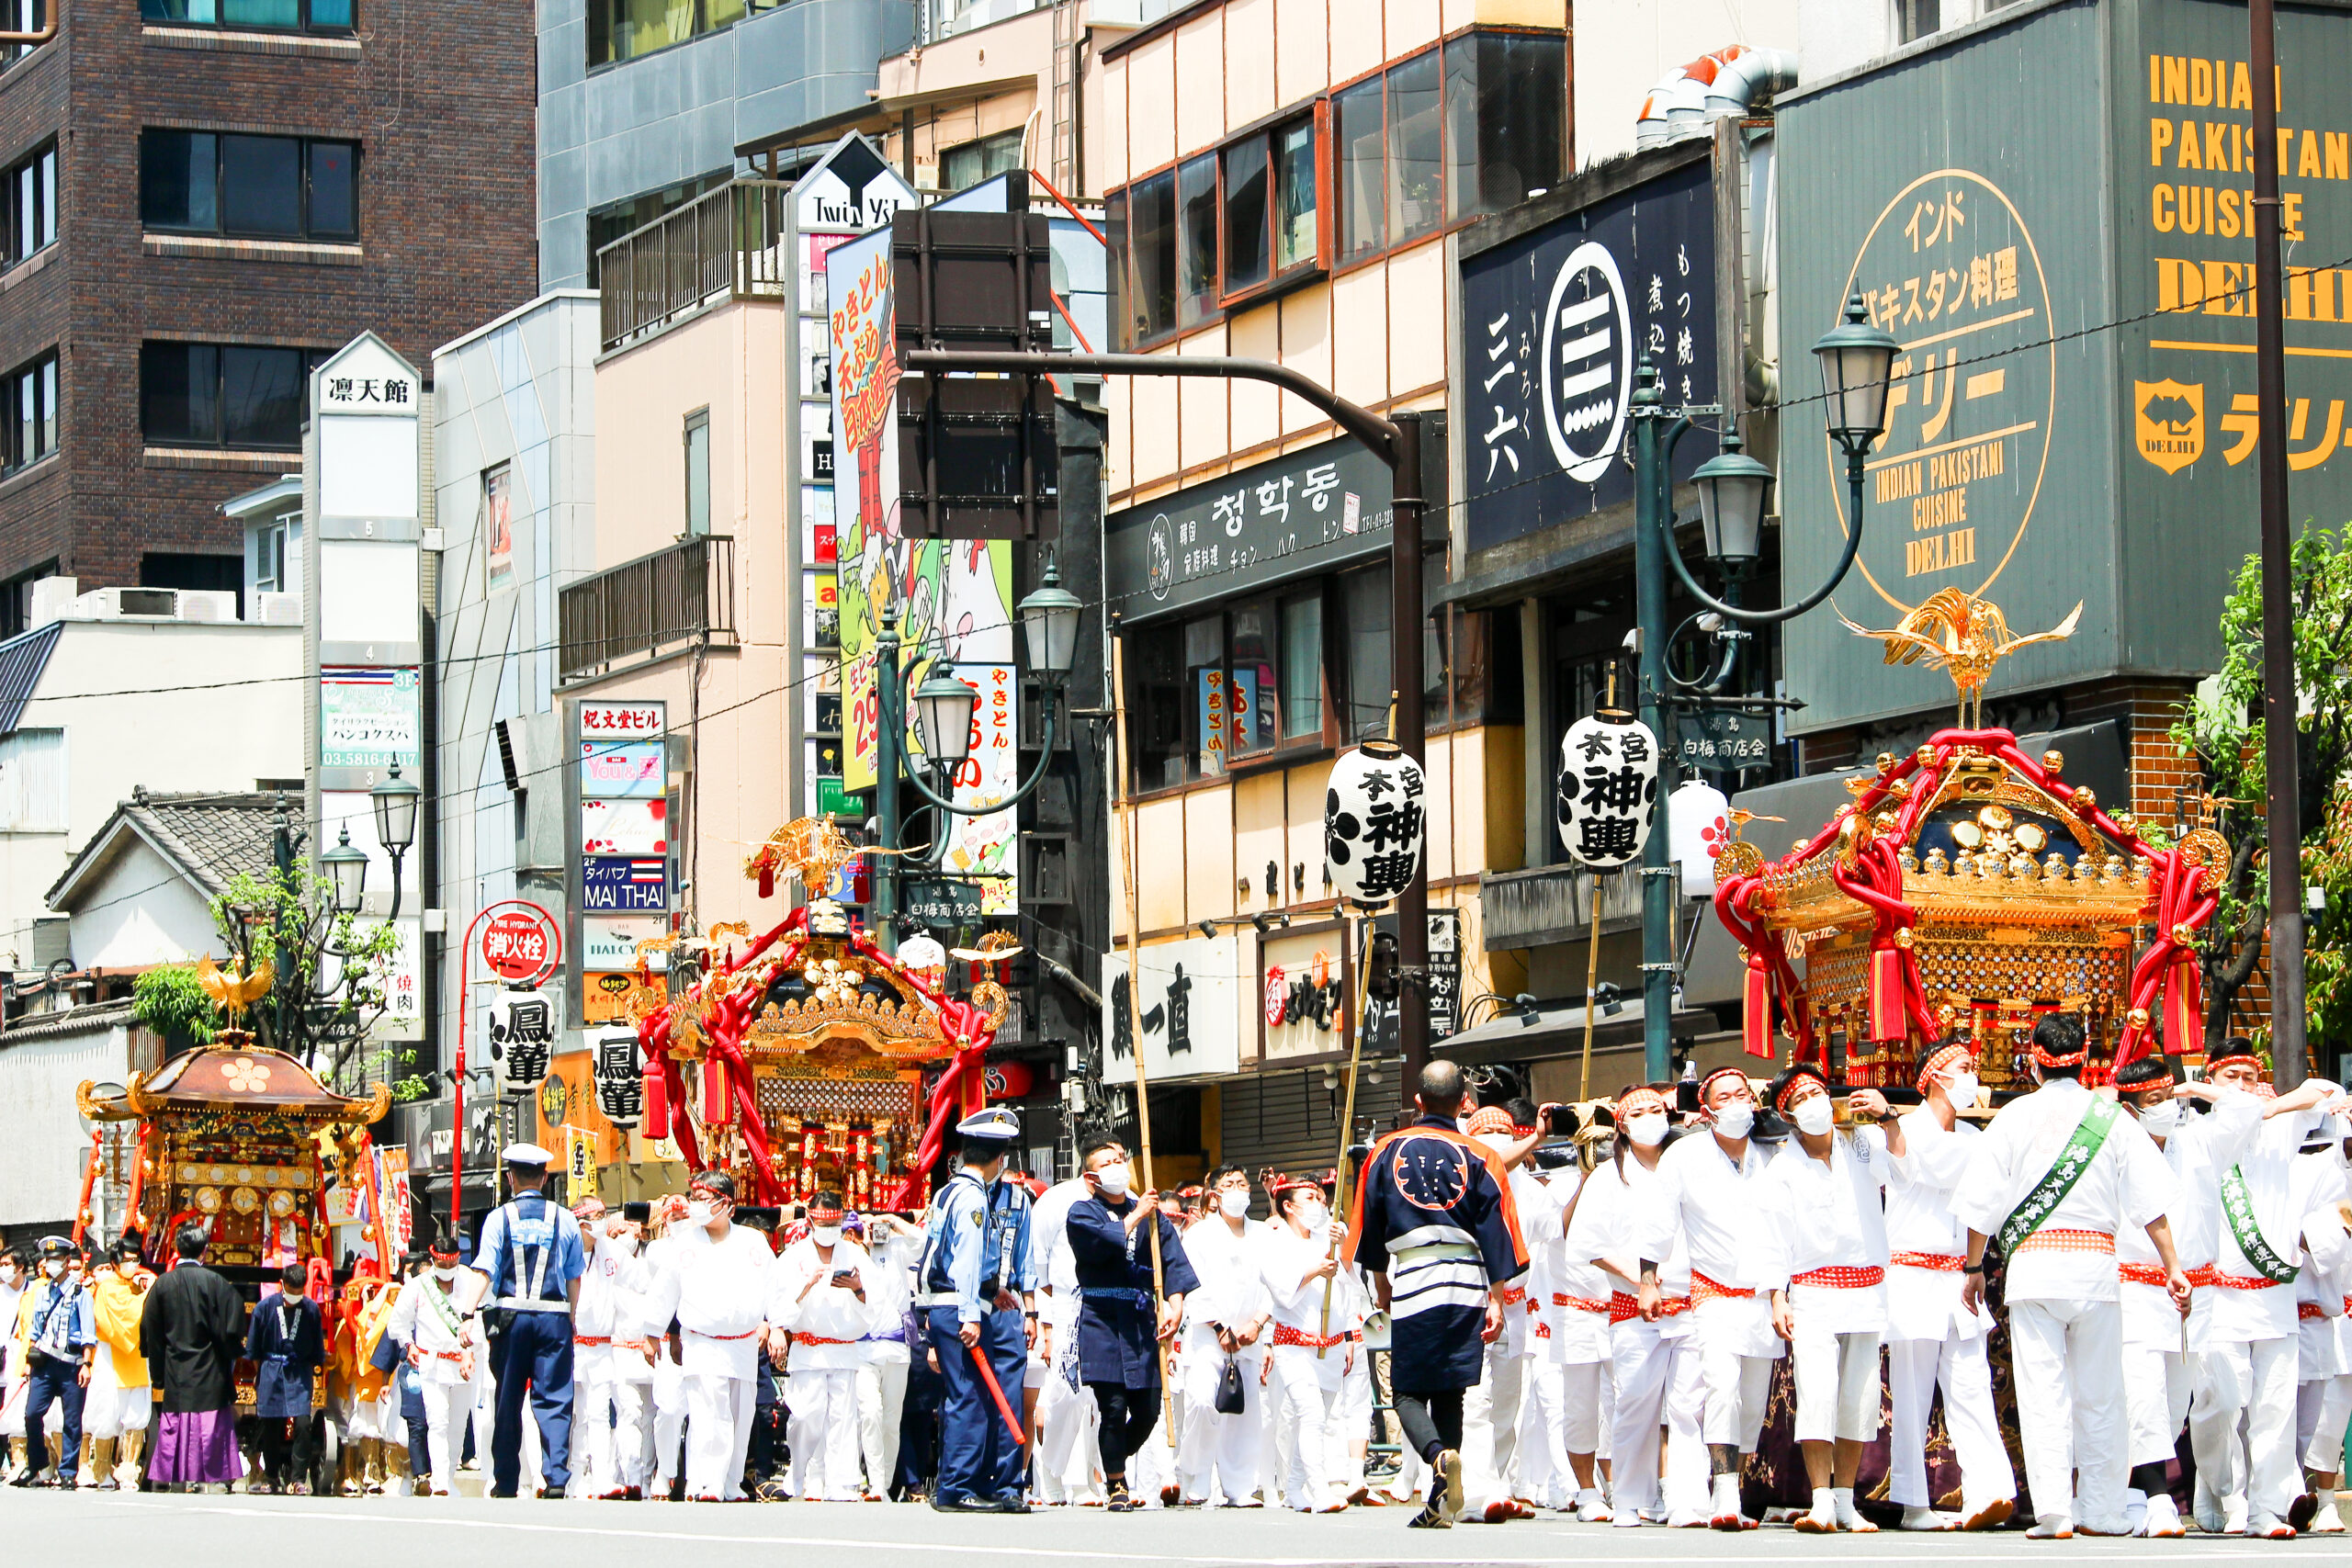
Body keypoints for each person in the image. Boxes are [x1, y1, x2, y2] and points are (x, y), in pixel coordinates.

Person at [1955, 1013, 2189, 1539]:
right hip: (2097, 1272)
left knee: (2044, 1392)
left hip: (2035, 1269)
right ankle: (2104, 1512)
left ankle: (2057, 1513)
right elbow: (2151, 1206)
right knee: (2103, 1393)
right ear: (2085, 1058)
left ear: (2033, 1063)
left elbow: (1981, 1201)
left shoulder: (2014, 1116)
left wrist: (1974, 1268)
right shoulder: (2114, 1120)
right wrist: (2172, 1266)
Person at [1349, 1060, 1529, 1530]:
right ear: (1464, 1103)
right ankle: (1439, 1503)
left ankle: (1437, 1455)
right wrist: (1495, 1297)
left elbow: (1369, 1227)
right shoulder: (1481, 1156)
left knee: (1406, 1391)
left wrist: (1382, 1285)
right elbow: (1498, 1231)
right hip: (1468, 1278)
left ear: (1418, 1101)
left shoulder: (1386, 1151)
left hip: (1414, 1274)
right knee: (1452, 1391)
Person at [2175, 1046, 2344, 1538]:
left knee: (2274, 1408)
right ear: (2211, 1078)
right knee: (2220, 1401)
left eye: (2251, 1075)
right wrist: (2222, 1103)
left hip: (2274, 1296)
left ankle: (2264, 1509)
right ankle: (2215, 1482)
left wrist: (2265, 1106)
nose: (2244, 1083)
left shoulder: (2278, 1128)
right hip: (2220, 1295)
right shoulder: (2197, 1135)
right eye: (2233, 1076)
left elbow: (2328, 1092)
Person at [1758, 1065, 1901, 1534]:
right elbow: (1773, 1236)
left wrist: (1889, 1118)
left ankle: (1845, 1500)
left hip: (1866, 1286)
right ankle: (1820, 1499)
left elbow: (1900, 1170)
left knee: (1859, 1398)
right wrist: (1777, 1297)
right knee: (1817, 1391)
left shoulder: (1859, 1142)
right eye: (1803, 1097)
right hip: (1814, 1288)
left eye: (1820, 1091)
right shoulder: (1782, 1167)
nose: (1816, 1102)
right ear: (1789, 1114)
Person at [1641, 1066, 1781, 1531]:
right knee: (1720, 1388)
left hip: (1765, 1298)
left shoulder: (1774, 1153)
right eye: (1726, 1097)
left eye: (1744, 1094)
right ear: (1707, 1110)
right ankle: (1722, 1494)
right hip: (1713, 1295)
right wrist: (1648, 1277)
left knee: (1752, 1400)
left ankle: (1734, 1489)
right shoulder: (1684, 1156)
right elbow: (1659, 1221)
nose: (1737, 1102)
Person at [1883, 1040, 2015, 1532]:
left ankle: (1991, 1491)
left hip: (1959, 1273)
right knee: (1912, 1391)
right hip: (1912, 1271)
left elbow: (1987, 1200)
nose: (1972, 1077)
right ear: (1936, 1076)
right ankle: (1915, 1502)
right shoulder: (1905, 1130)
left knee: (1971, 1384)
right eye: (1963, 1068)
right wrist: (1890, 1120)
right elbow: (1919, 1164)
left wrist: (1976, 1265)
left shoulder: (1976, 1138)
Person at [1568, 1084, 1702, 1528]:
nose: (1650, 1116)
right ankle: (1627, 1498)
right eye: (1638, 1111)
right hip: (1634, 1304)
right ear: (1622, 1124)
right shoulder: (1609, 1175)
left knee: (1688, 1405)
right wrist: (1637, 1277)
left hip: (1691, 1300)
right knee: (1635, 1404)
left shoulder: (1689, 1162)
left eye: (1656, 1108)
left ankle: (1685, 1498)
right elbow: (1588, 1242)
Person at [917, 1107, 1039, 1514]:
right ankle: (957, 1486)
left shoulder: (949, 1190)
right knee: (968, 1395)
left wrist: (992, 1292)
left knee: (973, 1396)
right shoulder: (973, 1197)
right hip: (959, 1305)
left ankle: (975, 1482)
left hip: (964, 1302)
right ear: (998, 1159)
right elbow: (965, 1261)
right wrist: (972, 1312)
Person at [1067, 1133, 1196, 1512]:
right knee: (1112, 1404)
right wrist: (1137, 1215)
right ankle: (1118, 1484)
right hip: (1103, 1317)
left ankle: (1111, 1461)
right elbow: (1101, 1243)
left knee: (1148, 1408)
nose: (1117, 1166)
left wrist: (1175, 1303)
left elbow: (1172, 1260)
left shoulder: (1151, 1215)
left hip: (1141, 1320)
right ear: (1091, 1178)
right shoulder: (1082, 1212)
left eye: (1120, 1158)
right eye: (1106, 1163)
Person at [460, 1141, 586, 1498]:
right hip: (554, 1319)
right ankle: (557, 1478)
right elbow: (575, 1275)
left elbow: (483, 1269)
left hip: (511, 1319)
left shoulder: (498, 1219)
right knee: (555, 1399)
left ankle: (506, 1480)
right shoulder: (566, 1219)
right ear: (545, 1178)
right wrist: (573, 1316)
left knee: (508, 1398)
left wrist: (467, 1315)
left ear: (511, 1178)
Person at [644, 1168, 774, 1501]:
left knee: (740, 1416)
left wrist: (775, 1325)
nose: (697, 1206)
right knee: (707, 1412)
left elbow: (776, 1287)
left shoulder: (753, 1241)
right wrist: (653, 1333)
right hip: (701, 1340)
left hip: (743, 1343)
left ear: (727, 1204)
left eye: (704, 1200)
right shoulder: (684, 1243)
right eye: (695, 1200)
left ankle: (731, 1482)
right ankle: (706, 1482)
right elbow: (664, 1291)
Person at [2109, 1055, 2195, 1537]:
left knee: (2176, 1399)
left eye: (2169, 1098)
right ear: (2132, 1108)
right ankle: (2160, 1499)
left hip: (2184, 1292)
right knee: (2142, 1395)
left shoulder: (2193, 1144)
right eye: (2153, 1101)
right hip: (2131, 1286)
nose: (2166, 1108)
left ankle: (2133, 1494)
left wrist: (2195, 1092)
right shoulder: (2115, 1145)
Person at [768, 1190, 884, 1500]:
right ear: (810, 1219)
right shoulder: (792, 1257)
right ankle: (804, 1471)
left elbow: (877, 1305)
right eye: (822, 1223)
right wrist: (805, 1286)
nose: (828, 1230)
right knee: (807, 1414)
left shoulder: (855, 1255)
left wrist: (859, 1290)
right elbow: (777, 1304)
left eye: (834, 1224)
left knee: (843, 1418)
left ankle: (840, 1481)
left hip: (843, 1347)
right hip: (808, 1347)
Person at [1173, 1164, 1270, 1509]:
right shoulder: (1198, 1235)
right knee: (1201, 1401)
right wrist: (1218, 1326)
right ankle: (1194, 1477)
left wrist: (1258, 1324)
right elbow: (1191, 1285)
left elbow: (1275, 1286)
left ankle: (1240, 1486)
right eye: (1229, 1184)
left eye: (1242, 1183)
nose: (1237, 1190)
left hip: (1249, 1336)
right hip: (1207, 1335)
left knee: (1244, 1414)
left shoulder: (1262, 1234)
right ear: (1214, 1193)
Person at [1259, 1176, 1354, 1512]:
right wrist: (1314, 1270)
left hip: (1330, 1343)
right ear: (1288, 1206)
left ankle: (1296, 1489)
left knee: (1317, 1418)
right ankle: (1320, 1489)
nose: (1319, 1203)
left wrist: (1340, 1250)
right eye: (1310, 1198)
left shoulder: (1326, 1237)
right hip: (1294, 1345)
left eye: (1320, 1198)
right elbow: (1282, 1292)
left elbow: (1349, 1286)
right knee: (1310, 1414)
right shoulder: (1274, 1241)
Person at [138, 1224, 247, 1491]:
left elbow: (149, 1328)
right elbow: (233, 1326)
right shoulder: (217, 1284)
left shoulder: (162, 1284)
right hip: (210, 1366)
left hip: (175, 1365)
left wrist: (158, 1371)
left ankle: (168, 1474)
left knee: (175, 1420)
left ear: (177, 1249)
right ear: (205, 1252)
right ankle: (212, 1476)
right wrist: (229, 1352)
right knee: (210, 1423)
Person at [385, 1231, 482, 1496]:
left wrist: (470, 1352)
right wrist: (409, 1344)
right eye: (442, 1265)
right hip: (431, 1362)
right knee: (436, 1420)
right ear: (434, 1260)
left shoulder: (471, 1281)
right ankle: (439, 1480)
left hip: (463, 1361)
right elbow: (398, 1323)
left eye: (452, 1264)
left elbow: (480, 1322)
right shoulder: (418, 1285)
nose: (448, 1270)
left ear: (458, 1259)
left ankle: (449, 1475)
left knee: (458, 1424)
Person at [571, 1201, 653, 1500]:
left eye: (604, 1216)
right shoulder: (565, 1248)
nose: (602, 1222)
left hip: (602, 1346)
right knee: (576, 1415)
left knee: (599, 1414)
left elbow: (641, 1280)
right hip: (573, 1345)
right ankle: (575, 1476)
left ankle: (603, 1479)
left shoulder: (610, 1249)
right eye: (596, 1217)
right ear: (581, 1222)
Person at [12, 1235, 94, 1488]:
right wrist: (28, 1362)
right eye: (48, 1260)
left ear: (68, 1261)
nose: (51, 1264)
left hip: (71, 1363)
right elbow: (35, 1332)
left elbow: (89, 1333)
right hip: (45, 1363)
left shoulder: (80, 1293)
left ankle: (68, 1470)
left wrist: (87, 1364)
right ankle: (36, 1464)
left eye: (57, 1259)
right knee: (32, 1414)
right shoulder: (41, 1291)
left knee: (72, 1420)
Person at [854, 1210, 918, 1501]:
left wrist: (892, 1221)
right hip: (862, 1349)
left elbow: (923, 1240)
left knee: (891, 1421)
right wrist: (861, 1235)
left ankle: (884, 1483)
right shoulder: (850, 1253)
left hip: (895, 1348)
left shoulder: (895, 1249)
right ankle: (874, 1484)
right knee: (870, 1413)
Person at [245, 1263, 325, 1494]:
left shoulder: (310, 1310)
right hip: (271, 1367)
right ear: (282, 1285)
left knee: (302, 1423)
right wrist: (261, 1373)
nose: (294, 1296)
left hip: (299, 1369)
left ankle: (298, 1478)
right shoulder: (265, 1308)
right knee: (271, 1423)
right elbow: (254, 1349)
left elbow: (316, 1349)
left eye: (298, 1292)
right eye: (291, 1291)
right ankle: (270, 1476)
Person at [83, 1236, 153, 1491]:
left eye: (136, 1260)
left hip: (136, 1356)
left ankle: (129, 1471)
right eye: (128, 1260)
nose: (133, 1265)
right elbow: (128, 1314)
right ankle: (101, 1469)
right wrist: (148, 1294)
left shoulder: (134, 1286)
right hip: (111, 1356)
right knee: (106, 1413)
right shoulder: (109, 1287)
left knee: (136, 1416)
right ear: (114, 1263)